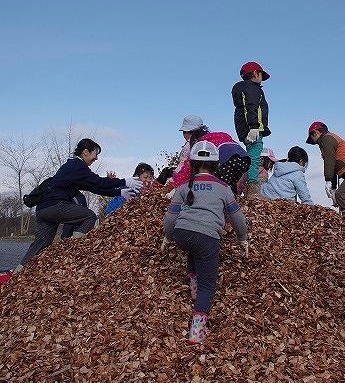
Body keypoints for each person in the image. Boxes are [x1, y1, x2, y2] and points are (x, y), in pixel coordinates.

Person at [161, 141, 248, 345]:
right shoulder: (223, 188)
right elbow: (237, 218)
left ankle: (193, 284)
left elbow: (171, 217)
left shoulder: (183, 187)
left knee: (193, 247)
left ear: (192, 163)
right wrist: (242, 238)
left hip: (182, 234)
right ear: (216, 165)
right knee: (208, 285)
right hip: (207, 235)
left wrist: (167, 236)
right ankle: (197, 331)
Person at [15, 139, 141, 271]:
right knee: (89, 216)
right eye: (95, 154)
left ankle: (17, 275)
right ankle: (71, 251)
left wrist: (119, 192)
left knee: (39, 246)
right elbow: (98, 182)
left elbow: (95, 188)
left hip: (43, 210)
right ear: (85, 152)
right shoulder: (77, 165)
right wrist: (124, 181)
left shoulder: (72, 167)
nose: (96, 158)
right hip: (55, 206)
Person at [306, 122, 345, 231]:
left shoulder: (326, 139)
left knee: (342, 194)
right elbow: (333, 166)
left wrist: (328, 181)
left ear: (315, 133)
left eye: (312, 138)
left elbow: (330, 162)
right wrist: (333, 188)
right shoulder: (330, 138)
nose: (315, 143)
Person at [231, 61, 271, 197]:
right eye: (261, 74)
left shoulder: (241, 89)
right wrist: (254, 127)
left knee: (250, 156)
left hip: (243, 128)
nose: (261, 79)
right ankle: (253, 190)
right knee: (254, 158)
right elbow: (252, 106)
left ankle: (240, 185)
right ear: (255, 73)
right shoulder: (253, 88)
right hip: (253, 128)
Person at [171, 130, 250, 195]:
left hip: (228, 161)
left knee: (216, 186)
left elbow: (188, 166)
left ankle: (218, 206)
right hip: (244, 159)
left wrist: (177, 185)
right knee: (229, 185)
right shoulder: (220, 137)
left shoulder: (203, 145)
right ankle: (233, 204)